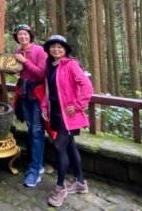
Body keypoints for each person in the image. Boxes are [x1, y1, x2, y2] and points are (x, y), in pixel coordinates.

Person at [41, 35, 93, 208]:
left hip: (67, 114)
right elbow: (48, 91)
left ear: (65, 50)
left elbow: (87, 86)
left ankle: (60, 186)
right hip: (54, 111)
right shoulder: (50, 66)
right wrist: (44, 109)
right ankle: (80, 182)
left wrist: (78, 106)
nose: (56, 49)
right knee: (69, 145)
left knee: (58, 146)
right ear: (49, 49)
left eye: (60, 47)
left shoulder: (71, 65)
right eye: (53, 47)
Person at [11, 23, 48, 187]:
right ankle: (37, 164)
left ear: (30, 36)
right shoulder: (18, 51)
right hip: (24, 94)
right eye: (20, 35)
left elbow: (41, 73)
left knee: (37, 130)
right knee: (30, 127)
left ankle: (34, 170)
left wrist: (25, 61)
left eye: (25, 34)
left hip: (38, 96)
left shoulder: (39, 51)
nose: (23, 37)